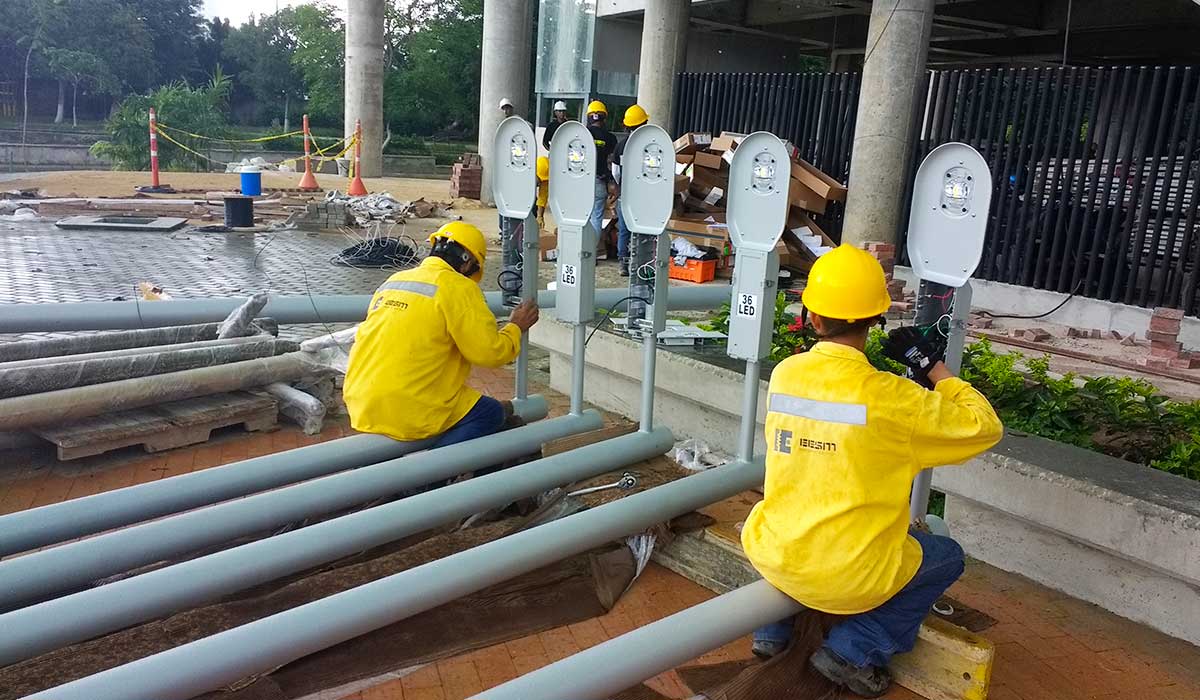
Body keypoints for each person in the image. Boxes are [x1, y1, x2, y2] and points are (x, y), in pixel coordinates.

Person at [740, 245, 1003, 698]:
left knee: (799, 540)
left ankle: (772, 633)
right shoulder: (894, 400)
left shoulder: (786, 374)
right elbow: (984, 427)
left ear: (813, 319)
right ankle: (853, 651)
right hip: (852, 576)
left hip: (776, 551)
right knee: (946, 555)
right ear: (875, 321)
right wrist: (933, 367)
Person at [343, 222, 540, 455]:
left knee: (463, 400)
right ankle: (428, 476)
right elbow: (490, 353)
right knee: (490, 413)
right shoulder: (460, 288)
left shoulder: (396, 280)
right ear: (467, 261)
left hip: (361, 399)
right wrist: (515, 326)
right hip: (408, 406)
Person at [612, 104, 648, 277]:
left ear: (627, 125)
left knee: (624, 230)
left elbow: (615, 172)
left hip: (625, 194)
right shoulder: (648, 144)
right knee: (641, 230)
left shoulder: (621, 146)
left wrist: (622, 185)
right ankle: (641, 263)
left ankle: (623, 263)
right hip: (643, 195)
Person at [584, 100, 617, 242]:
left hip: (581, 181)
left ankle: (578, 251)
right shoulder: (610, 138)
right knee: (596, 217)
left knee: (580, 216)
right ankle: (591, 253)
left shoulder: (582, 134)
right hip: (599, 181)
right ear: (604, 117)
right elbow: (612, 163)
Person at [535, 155, 550, 230]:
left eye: (540, 182)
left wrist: (540, 216)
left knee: (533, 208)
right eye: (538, 180)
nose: (539, 184)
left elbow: (542, 198)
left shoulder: (545, 179)